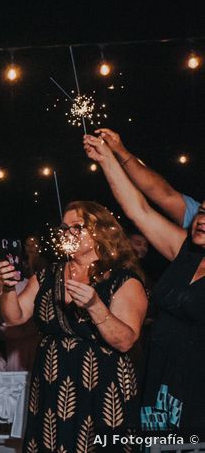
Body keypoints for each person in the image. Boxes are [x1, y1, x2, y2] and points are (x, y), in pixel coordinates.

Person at [0, 200, 147, 452]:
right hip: (51, 384)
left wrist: (95, 306)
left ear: (101, 231)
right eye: (64, 228)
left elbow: (125, 340)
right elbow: (15, 316)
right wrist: (6, 288)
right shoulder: (48, 274)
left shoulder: (123, 280)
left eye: (77, 227)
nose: (67, 233)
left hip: (102, 388)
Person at [85, 133, 205, 431]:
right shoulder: (182, 251)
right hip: (160, 371)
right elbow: (139, 210)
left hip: (198, 380)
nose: (202, 219)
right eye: (202, 211)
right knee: (155, 444)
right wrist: (106, 160)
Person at [94, 128, 200, 228]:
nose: (201, 220)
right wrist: (119, 152)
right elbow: (164, 194)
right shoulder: (199, 216)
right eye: (202, 212)